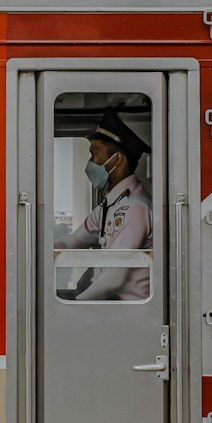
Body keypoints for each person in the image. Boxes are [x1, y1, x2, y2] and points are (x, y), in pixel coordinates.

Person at [58, 107, 152, 300]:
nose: (90, 161)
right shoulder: (110, 205)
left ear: (116, 160)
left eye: (95, 153)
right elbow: (70, 244)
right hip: (113, 305)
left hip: (128, 310)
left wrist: (74, 305)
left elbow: (114, 279)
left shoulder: (135, 207)